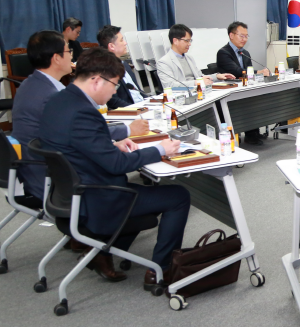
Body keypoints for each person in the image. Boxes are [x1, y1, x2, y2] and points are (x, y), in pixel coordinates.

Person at [39, 48, 190, 288]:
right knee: (179, 195)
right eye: (114, 85)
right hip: (96, 199)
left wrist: (110, 144)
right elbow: (116, 164)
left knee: (147, 195)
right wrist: (160, 149)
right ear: (96, 80)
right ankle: (162, 269)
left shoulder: (59, 100)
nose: (115, 91)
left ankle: (103, 251)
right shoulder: (84, 112)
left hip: (68, 195)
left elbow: (73, 143)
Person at [12, 31, 148, 213]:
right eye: (69, 51)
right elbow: (84, 132)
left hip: (33, 166)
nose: (73, 56)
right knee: (113, 167)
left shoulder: (32, 84)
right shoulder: (52, 97)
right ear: (56, 58)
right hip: (50, 177)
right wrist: (127, 131)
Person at [213, 22, 269, 144]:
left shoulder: (245, 53)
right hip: (229, 91)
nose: (244, 39)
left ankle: (252, 133)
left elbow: (248, 73)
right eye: (241, 36)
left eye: (246, 36)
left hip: (243, 87)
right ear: (231, 35)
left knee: (257, 98)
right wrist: (258, 72)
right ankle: (247, 133)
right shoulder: (223, 52)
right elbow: (236, 71)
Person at [157, 24, 235, 89]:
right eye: (186, 41)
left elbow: (200, 76)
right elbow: (170, 86)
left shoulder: (189, 58)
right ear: (175, 41)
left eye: (190, 40)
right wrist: (196, 82)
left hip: (199, 91)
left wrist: (217, 76)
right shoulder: (164, 62)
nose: (189, 44)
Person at [96, 25, 144, 109]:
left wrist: (150, 101)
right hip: (129, 112)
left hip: (142, 106)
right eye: (121, 40)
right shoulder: (105, 69)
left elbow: (138, 91)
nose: (125, 43)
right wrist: (137, 109)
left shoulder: (124, 64)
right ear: (111, 46)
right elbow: (113, 101)